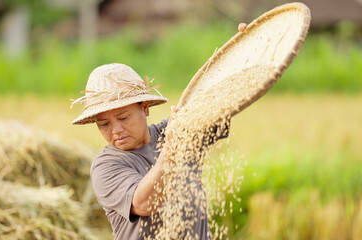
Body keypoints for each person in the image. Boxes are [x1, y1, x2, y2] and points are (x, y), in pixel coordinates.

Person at [71, 26, 246, 240]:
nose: (116, 130)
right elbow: (145, 203)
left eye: (123, 118)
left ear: (144, 107)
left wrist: (242, 52)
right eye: (104, 124)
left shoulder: (173, 132)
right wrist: (173, 146)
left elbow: (218, 104)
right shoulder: (106, 166)